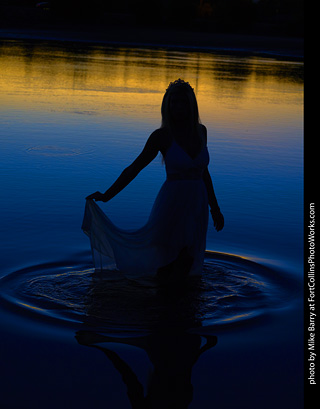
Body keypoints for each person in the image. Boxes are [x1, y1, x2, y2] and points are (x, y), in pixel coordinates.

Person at [83, 78, 224, 280]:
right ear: (166, 105)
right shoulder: (161, 136)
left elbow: (203, 172)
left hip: (197, 206)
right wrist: (107, 195)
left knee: (188, 259)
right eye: (173, 102)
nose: (177, 107)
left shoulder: (201, 132)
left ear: (191, 105)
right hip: (172, 204)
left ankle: (177, 305)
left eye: (182, 102)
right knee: (167, 259)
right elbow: (134, 168)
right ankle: (163, 305)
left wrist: (215, 207)